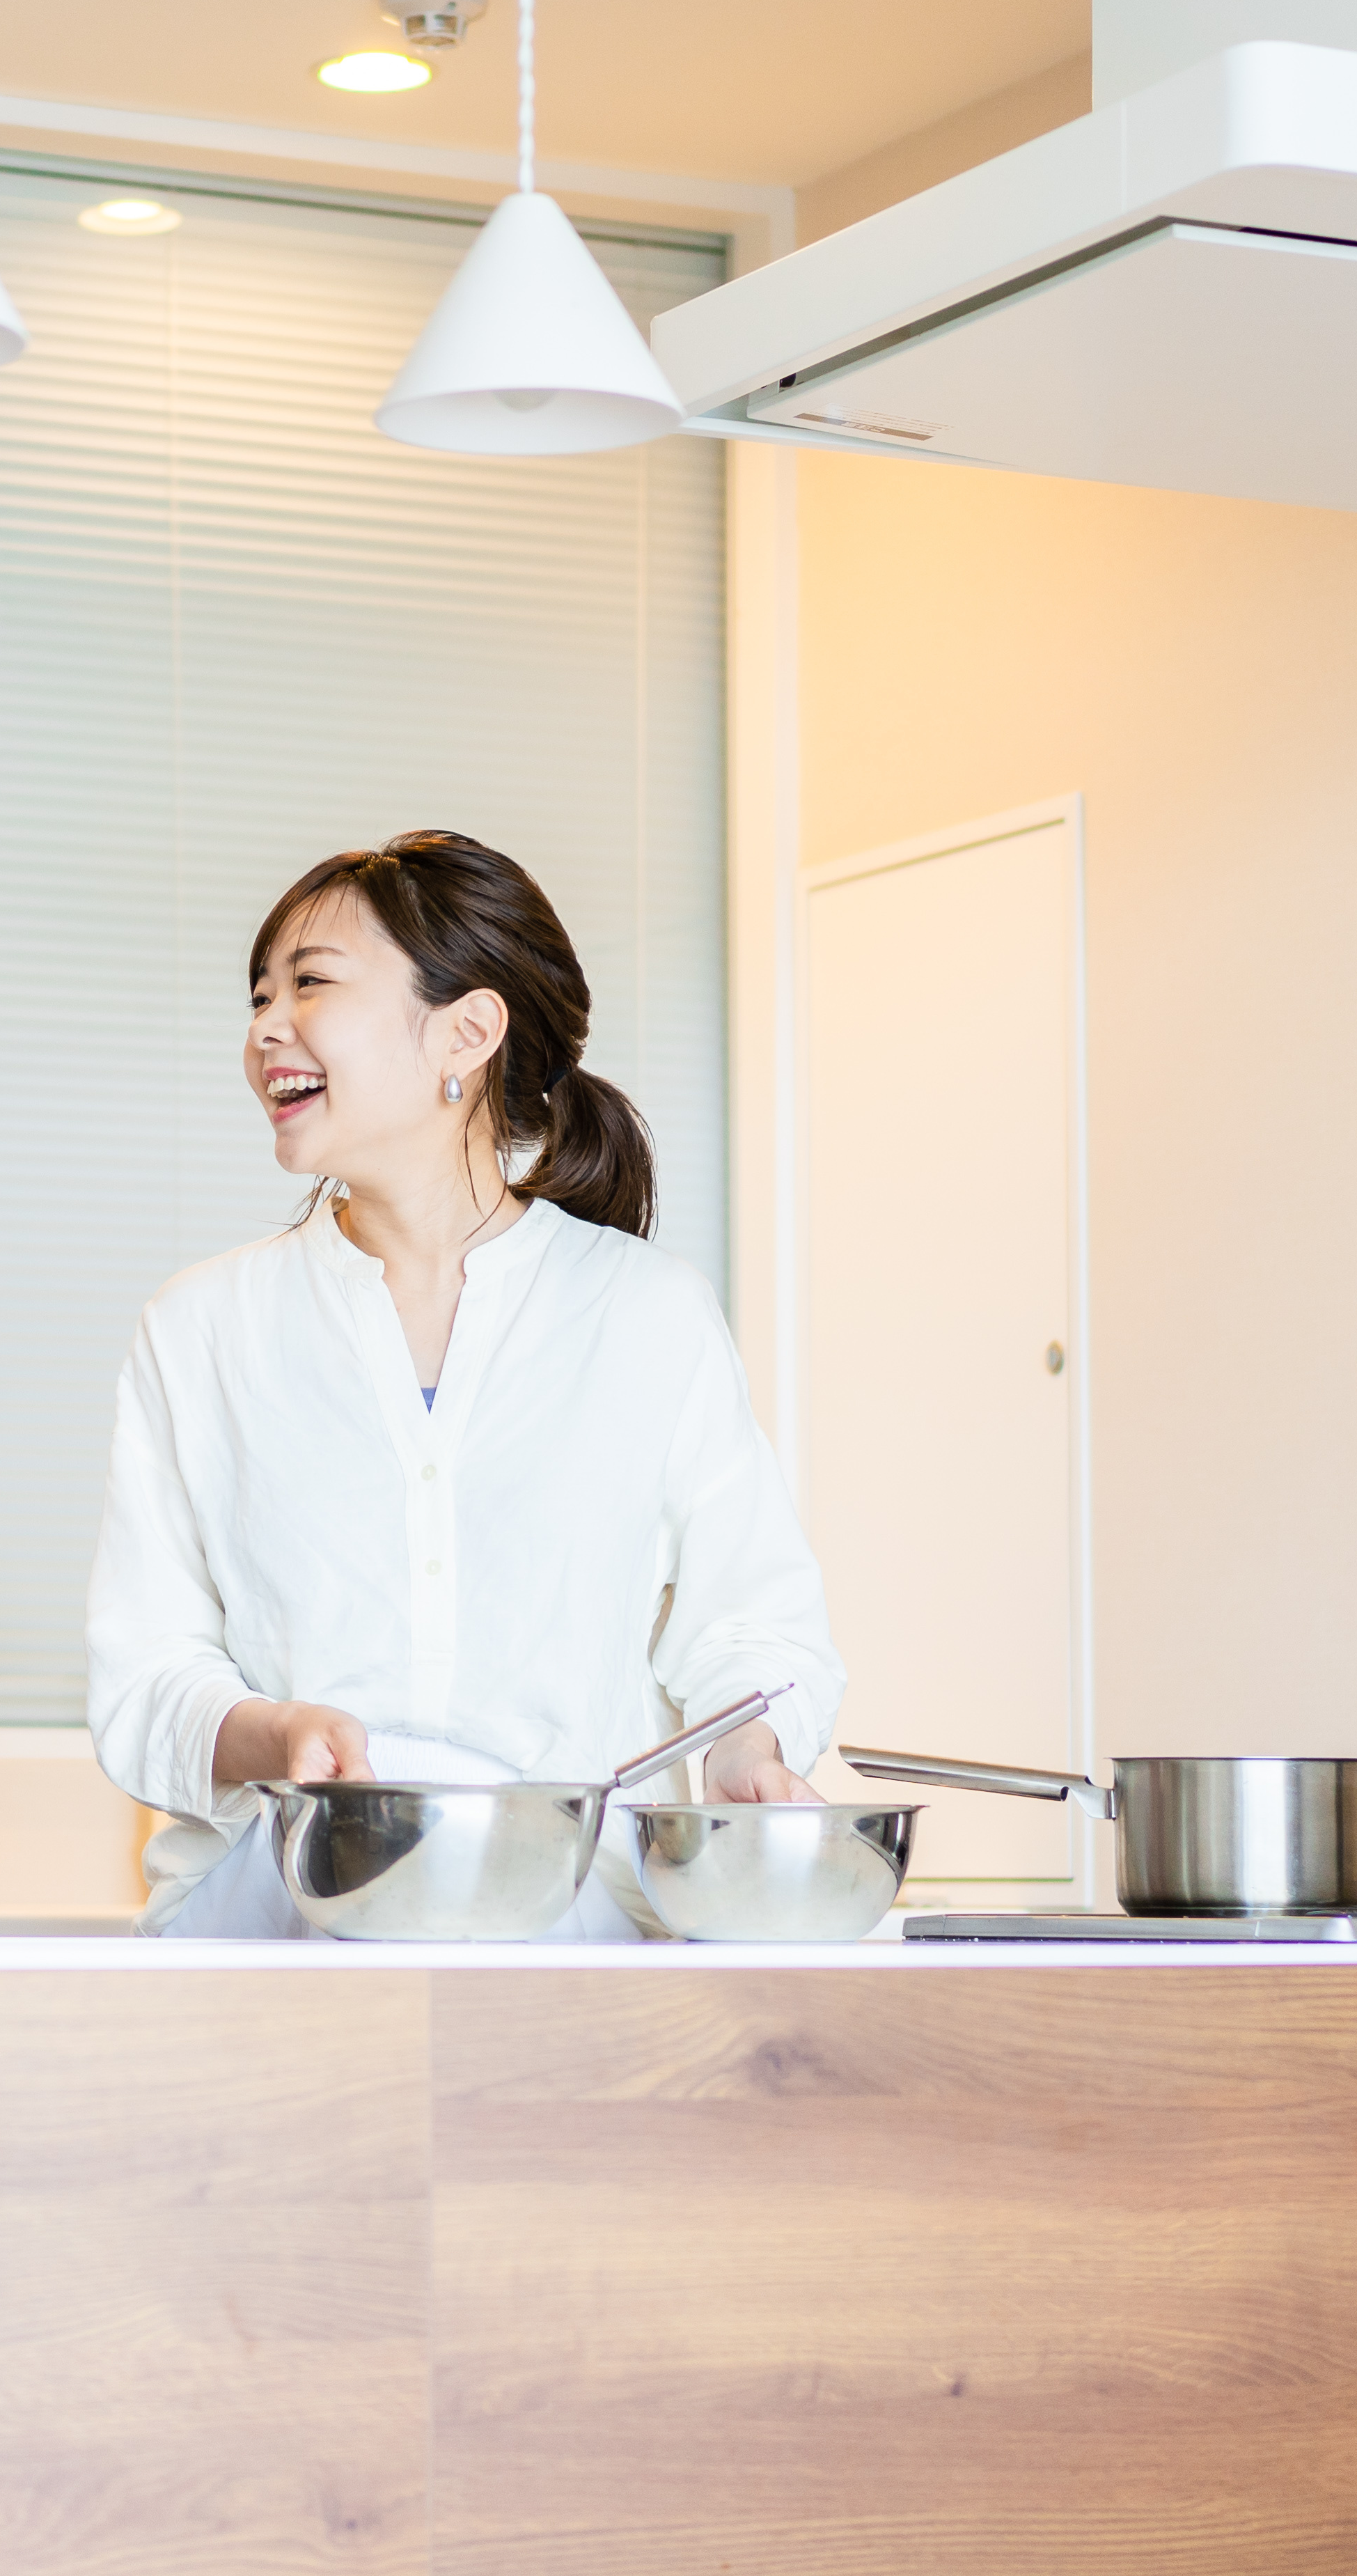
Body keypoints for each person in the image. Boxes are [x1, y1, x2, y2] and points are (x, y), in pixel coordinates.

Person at [85, 829, 841, 1938]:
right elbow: (145, 1678)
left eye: (311, 984)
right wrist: (276, 1733)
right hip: (273, 1918)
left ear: (468, 1031)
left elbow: (753, 1625)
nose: (263, 1031)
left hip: (569, 1922)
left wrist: (743, 1750)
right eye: (257, 997)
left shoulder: (647, 1315)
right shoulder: (202, 1327)